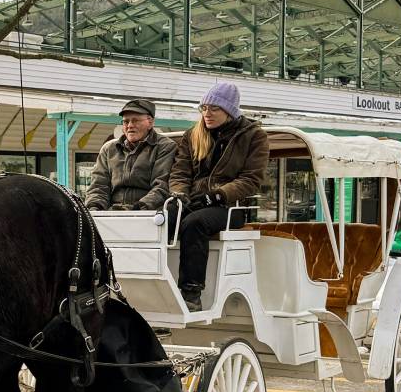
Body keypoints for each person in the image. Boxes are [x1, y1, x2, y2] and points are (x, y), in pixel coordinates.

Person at [168, 82, 269, 312]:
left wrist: (217, 195)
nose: (207, 114)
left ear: (230, 110)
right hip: (194, 201)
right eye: (204, 108)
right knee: (164, 218)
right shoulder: (193, 135)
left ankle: (191, 293)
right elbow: (180, 172)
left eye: (214, 108)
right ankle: (154, 283)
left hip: (231, 208)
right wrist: (180, 194)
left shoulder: (253, 136)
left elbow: (251, 179)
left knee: (194, 223)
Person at [84, 99, 175, 211]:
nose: (130, 125)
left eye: (135, 120)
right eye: (126, 121)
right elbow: (98, 187)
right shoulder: (108, 149)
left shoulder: (165, 147)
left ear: (150, 122)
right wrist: (94, 209)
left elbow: (161, 187)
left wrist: (135, 210)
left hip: (148, 214)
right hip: (110, 213)